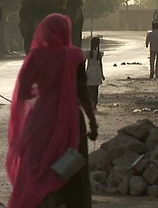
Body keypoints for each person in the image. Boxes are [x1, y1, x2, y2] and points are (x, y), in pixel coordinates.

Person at [6, 13, 98, 208]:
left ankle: (43, 199)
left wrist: (43, 92)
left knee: (39, 166)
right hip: (72, 121)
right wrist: (92, 121)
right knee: (73, 166)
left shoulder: (36, 57)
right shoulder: (74, 56)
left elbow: (23, 91)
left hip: (41, 121)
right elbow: (82, 91)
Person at [84, 36, 105, 110]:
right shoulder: (99, 54)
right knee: (95, 91)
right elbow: (100, 64)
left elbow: (84, 63)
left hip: (89, 72)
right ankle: (94, 105)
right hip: (96, 73)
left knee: (89, 90)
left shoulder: (88, 53)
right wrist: (102, 74)